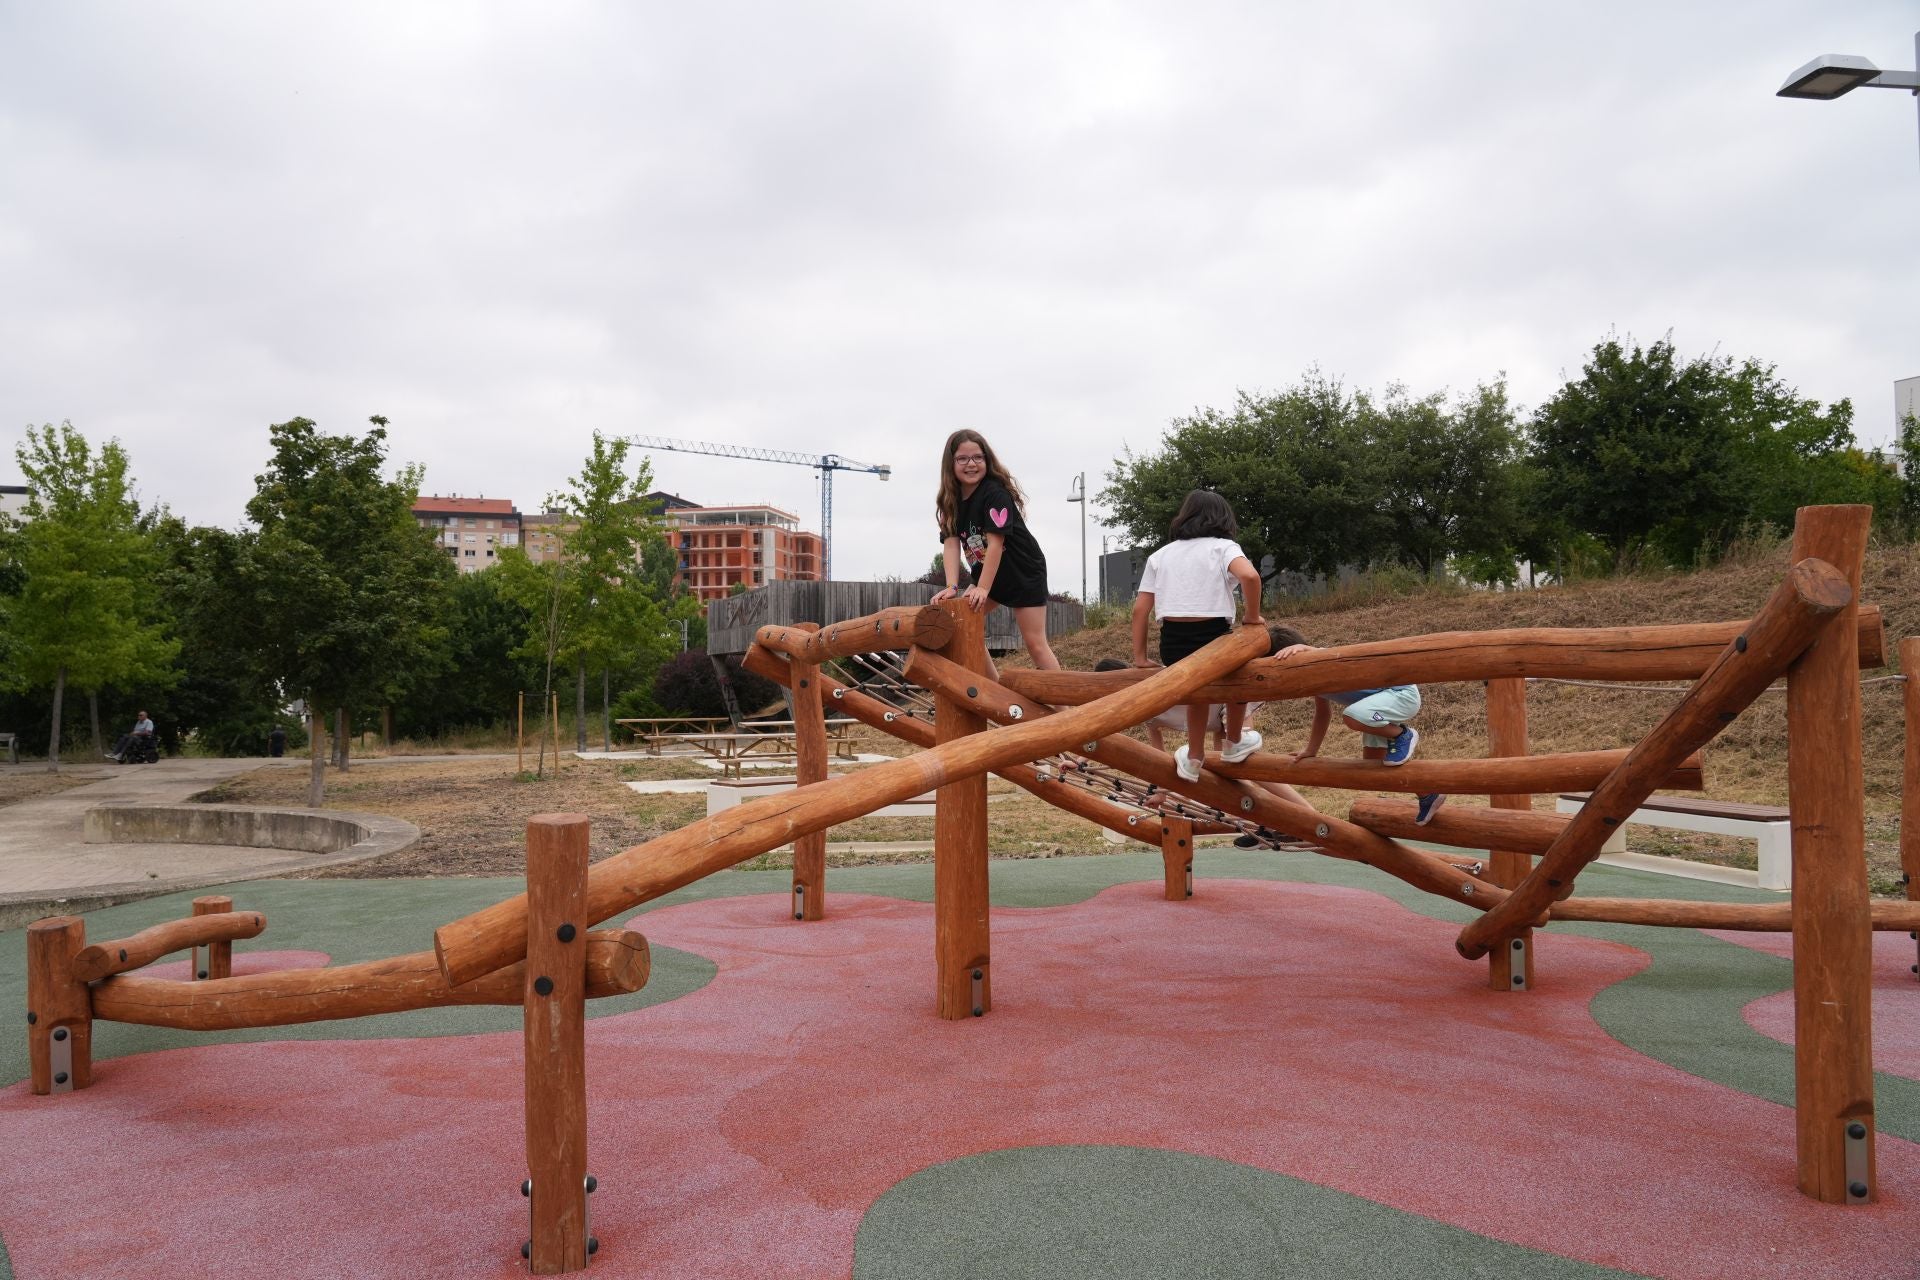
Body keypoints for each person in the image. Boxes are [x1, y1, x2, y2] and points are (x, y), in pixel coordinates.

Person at [1129, 490, 1263, 783]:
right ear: (1223, 518)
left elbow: (1140, 610)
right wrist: (1252, 617)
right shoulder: (1223, 547)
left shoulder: (1160, 555)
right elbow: (1251, 577)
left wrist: (1140, 657)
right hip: (1213, 638)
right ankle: (1235, 741)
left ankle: (1194, 757)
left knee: (1196, 695)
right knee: (1240, 676)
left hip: (1173, 643)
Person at [1268, 624, 1445, 825]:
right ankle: (1427, 793)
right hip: (1376, 710)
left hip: (1400, 695)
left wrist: (1310, 651)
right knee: (1373, 765)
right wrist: (1311, 749)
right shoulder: (1309, 679)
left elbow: (1338, 656)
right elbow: (1322, 713)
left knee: (1352, 716)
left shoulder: (1320, 660)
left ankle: (1401, 734)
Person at [930, 430, 1061, 671]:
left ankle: (1064, 709)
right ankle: (996, 697)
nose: (971, 464)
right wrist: (951, 586)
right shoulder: (950, 501)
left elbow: (996, 545)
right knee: (962, 628)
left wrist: (983, 588)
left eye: (978, 457)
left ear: (987, 460)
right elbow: (951, 545)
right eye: (963, 459)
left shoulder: (994, 494)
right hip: (989, 574)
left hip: (1022, 571)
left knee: (1035, 643)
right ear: (951, 463)